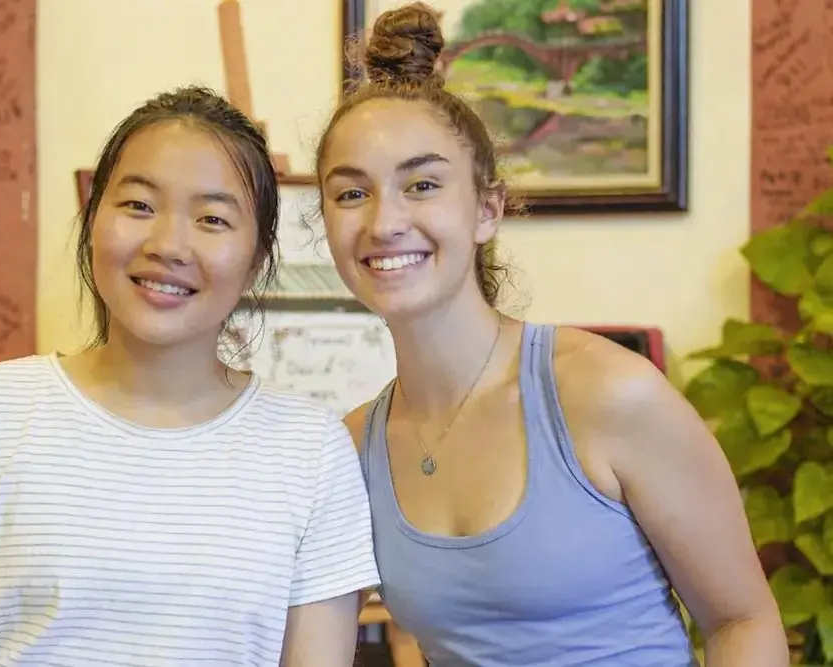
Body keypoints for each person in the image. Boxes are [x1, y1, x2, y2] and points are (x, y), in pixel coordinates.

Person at [314, 4, 787, 666]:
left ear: (487, 209)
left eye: (421, 184)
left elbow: (743, 620)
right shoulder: (354, 445)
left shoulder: (607, 395)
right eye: (350, 193)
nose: (385, 220)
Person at [0, 86, 380, 667]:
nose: (167, 245)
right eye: (138, 206)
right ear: (92, 220)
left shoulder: (310, 451)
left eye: (212, 218)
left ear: (257, 258)